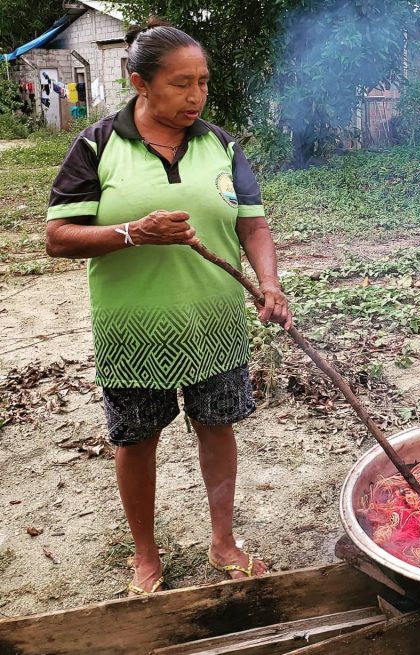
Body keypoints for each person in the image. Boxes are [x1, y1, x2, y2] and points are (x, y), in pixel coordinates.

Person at [45, 18, 292, 595]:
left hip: (216, 321)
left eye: (203, 82)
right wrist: (132, 231)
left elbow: (253, 225)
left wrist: (271, 282)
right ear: (140, 83)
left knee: (217, 427)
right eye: (181, 83)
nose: (196, 96)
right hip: (135, 329)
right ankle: (145, 554)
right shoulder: (97, 145)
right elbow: (58, 237)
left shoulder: (220, 145)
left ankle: (223, 541)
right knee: (135, 440)